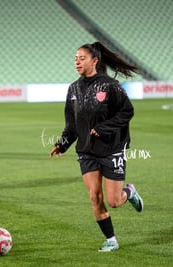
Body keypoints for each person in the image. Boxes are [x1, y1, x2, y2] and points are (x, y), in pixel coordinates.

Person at [49, 42, 143, 252]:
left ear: (95, 61)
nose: (77, 62)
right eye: (75, 58)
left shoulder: (110, 86)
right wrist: (61, 144)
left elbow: (127, 111)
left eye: (82, 58)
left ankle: (129, 192)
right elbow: (72, 125)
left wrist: (105, 128)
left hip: (112, 148)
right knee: (94, 196)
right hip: (86, 151)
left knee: (114, 201)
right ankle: (111, 240)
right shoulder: (73, 89)